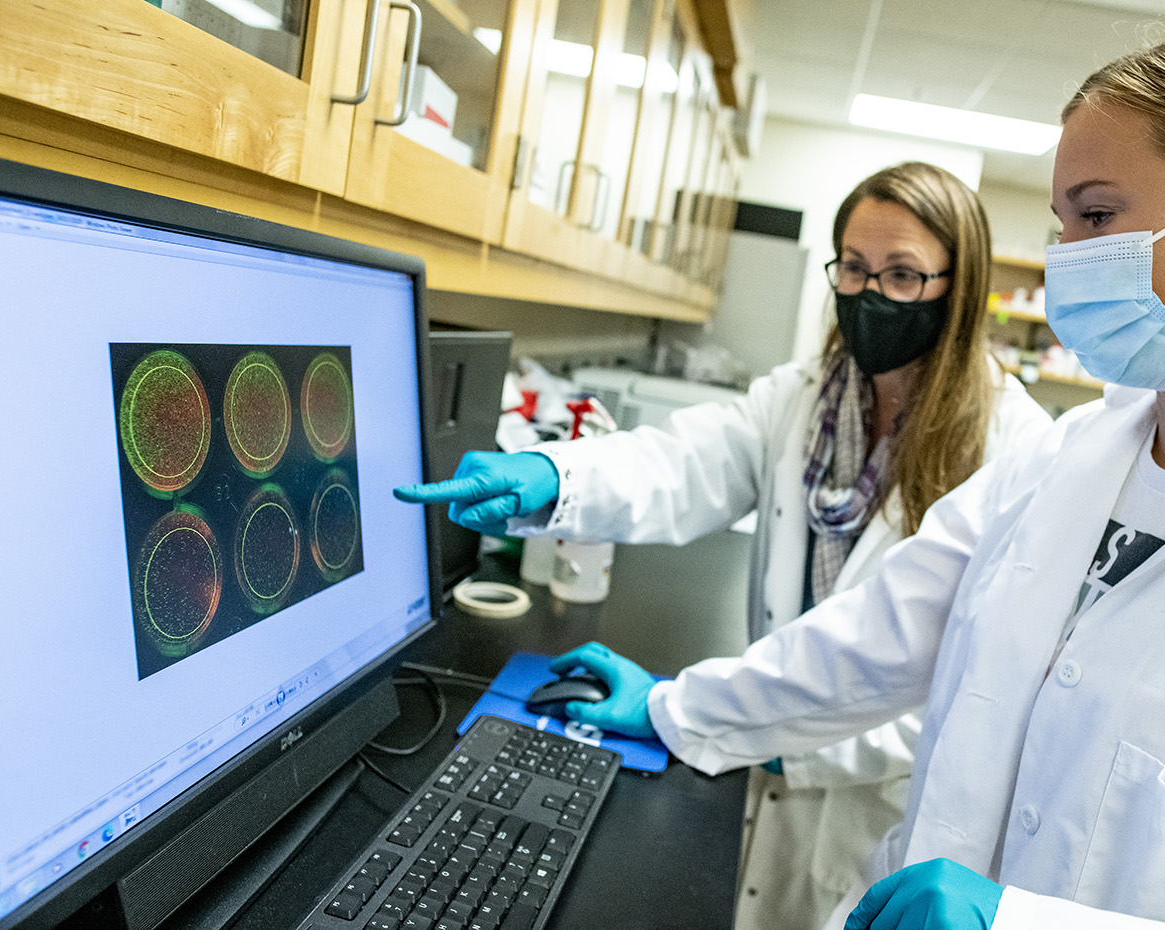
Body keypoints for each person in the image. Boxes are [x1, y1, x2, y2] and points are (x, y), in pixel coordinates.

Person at [535, 19, 1165, 930]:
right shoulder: (1063, 464)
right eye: (1062, 225)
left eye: (1098, 216)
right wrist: (678, 709)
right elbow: (873, 640)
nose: (1070, 257)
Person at [395, 162, 1055, 930]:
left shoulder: (1015, 446)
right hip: (759, 744)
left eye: (902, 275)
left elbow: (962, 690)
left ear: (957, 288)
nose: (869, 293)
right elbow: (682, 463)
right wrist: (556, 475)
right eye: (852, 267)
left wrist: (764, 735)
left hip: (875, 808)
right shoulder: (804, 397)